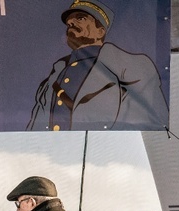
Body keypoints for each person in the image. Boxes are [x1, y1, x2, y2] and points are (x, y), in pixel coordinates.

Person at [27, 0, 168, 131]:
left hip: (103, 151)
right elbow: (36, 126)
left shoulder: (131, 65)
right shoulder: (56, 72)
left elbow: (147, 120)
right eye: (69, 22)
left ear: (100, 31)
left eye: (80, 18)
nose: (71, 23)